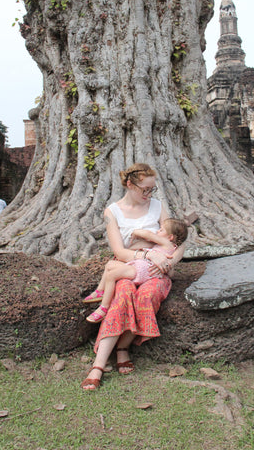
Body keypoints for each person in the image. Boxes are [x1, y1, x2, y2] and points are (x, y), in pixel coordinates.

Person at [81, 163, 186, 390]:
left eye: (151, 190)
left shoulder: (158, 207)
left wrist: (169, 261)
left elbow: (179, 240)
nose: (148, 195)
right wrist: (148, 254)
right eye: (144, 190)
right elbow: (119, 251)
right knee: (123, 296)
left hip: (157, 272)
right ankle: (98, 365)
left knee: (146, 297)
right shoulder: (112, 212)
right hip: (128, 267)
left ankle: (123, 348)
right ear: (130, 184)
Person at [85, 218, 188, 323]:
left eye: (161, 230)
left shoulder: (167, 243)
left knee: (111, 275)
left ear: (170, 237)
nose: (157, 231)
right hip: (140, 266)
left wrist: (136, 232)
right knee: (110, 264)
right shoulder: (170, 247)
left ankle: (104, 308)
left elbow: (149, 235)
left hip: (142, 270)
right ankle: (100, 291)